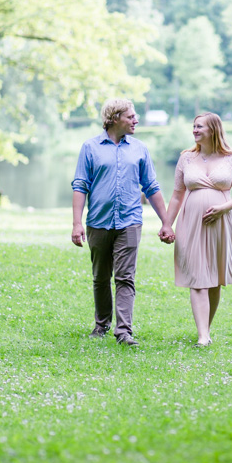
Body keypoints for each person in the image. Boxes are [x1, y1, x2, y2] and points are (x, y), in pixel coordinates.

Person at [71, 98, 174, 346]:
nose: (136, 120)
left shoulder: (139, 149)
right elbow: (80, 186)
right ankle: (101, 324)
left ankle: (123, 331)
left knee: (125, 277)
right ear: (115, 118)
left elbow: (151, 187)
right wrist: (76, 223)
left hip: (129, 221)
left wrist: (167, 223)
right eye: (131, 116)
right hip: (98, 221)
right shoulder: (90, 147)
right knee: (100, 277)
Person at [163, 113, 232, 346]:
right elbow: (177, 195)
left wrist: (223, 208)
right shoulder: (186, 158)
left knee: (214, 279)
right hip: (191, 223)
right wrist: (167, 223)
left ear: (213, 130)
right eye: (194, 126)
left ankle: (205, 330)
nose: (195, 130)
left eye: (200, 127)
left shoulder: (231, 157)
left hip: (220, 223)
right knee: (198, 277)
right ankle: (202, 336)